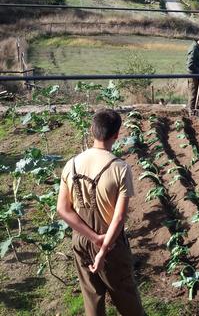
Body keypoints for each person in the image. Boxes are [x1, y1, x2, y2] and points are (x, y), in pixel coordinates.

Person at [57, 109, 144, 316]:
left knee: (92, 300)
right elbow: (119, 217)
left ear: (91, 130)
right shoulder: (120, 168)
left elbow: (63, 209)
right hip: (111, 243)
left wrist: (92, 238)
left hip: (81, 241)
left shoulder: (71, 165)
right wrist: (103, 248)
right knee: (127, 298)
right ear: (116, 135)